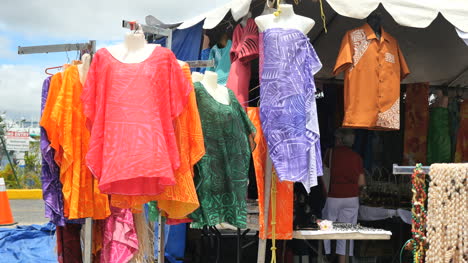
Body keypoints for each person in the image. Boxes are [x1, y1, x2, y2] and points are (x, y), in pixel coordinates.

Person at [322, 128, 366, 263]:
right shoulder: (356, 157)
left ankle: (324, 256)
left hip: (333, 197)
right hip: (351, 198)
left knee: (326, 228)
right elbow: (361, 182)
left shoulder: (330, 154)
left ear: (339, 139)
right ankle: (343, 261)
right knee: (346, 232)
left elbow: (323, 174)